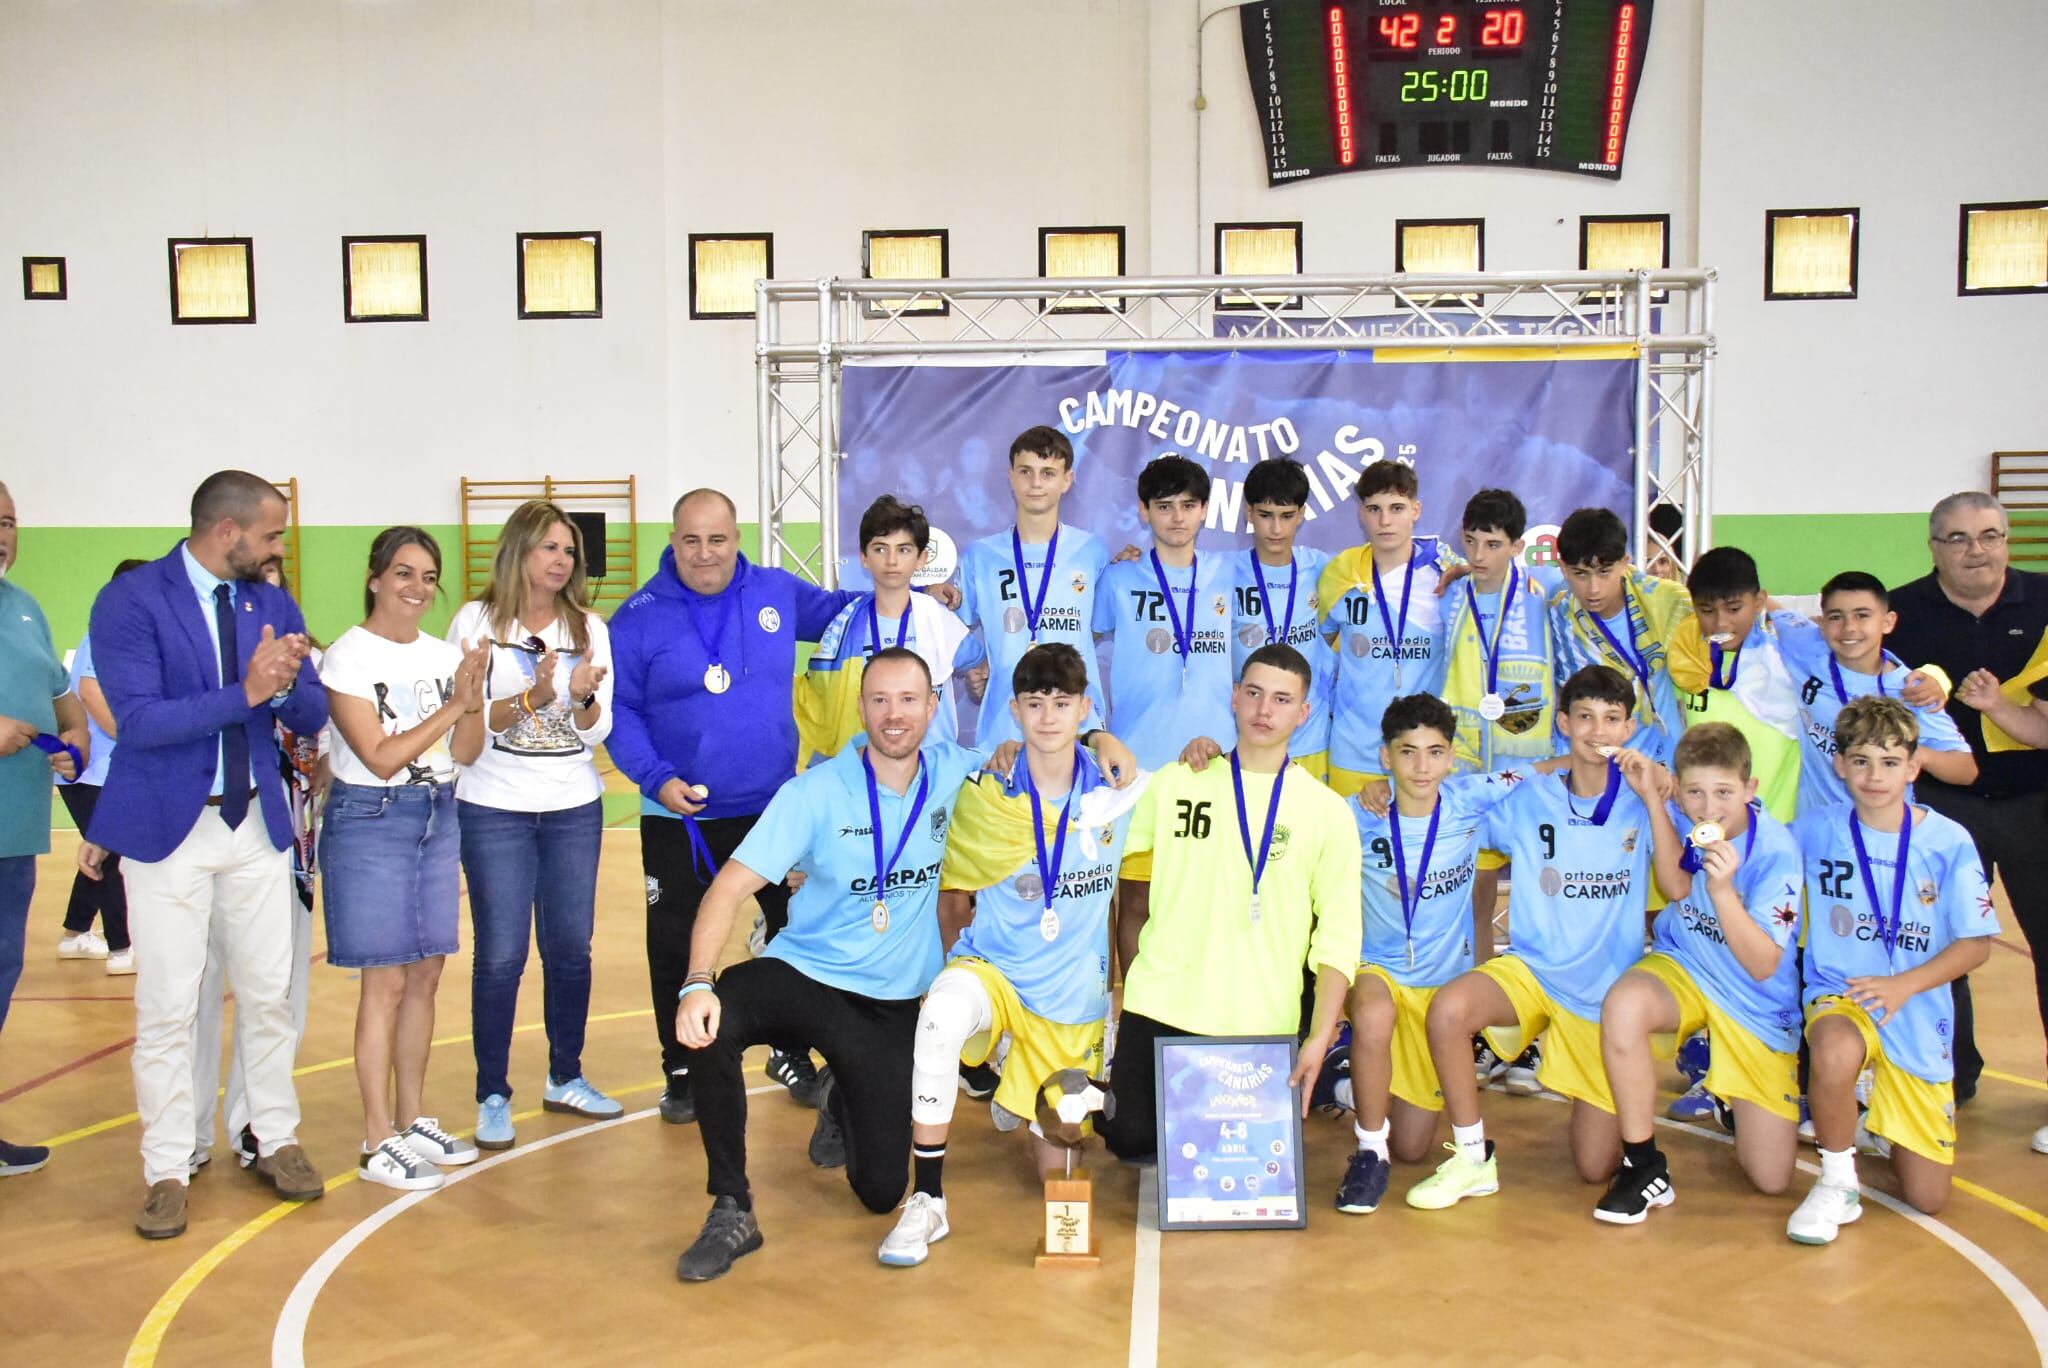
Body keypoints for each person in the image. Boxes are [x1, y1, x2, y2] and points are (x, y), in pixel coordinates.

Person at [82, 470, 327, 1237]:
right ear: (228, 532)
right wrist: (249, 691)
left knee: (268, 994)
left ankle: (273, 1138)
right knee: (167, 1005)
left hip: (254, 826)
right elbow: (141, 720)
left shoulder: (269, 600)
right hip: (166, 834)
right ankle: (165, 1167)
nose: (279, 547)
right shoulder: (131, 600)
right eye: (273, 534)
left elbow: (313, 705)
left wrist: (286, 687)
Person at [880, 643, 1145, 1267]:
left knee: (1057, 1170)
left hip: (1070, 1000)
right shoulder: (985, 792)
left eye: (1062, 704)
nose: (1048, 718)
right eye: (1034, 704)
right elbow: (949, 895)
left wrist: (1191, 751)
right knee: (943, 1016)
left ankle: (1016, 1090)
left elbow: (1201, 788)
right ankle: (929, 1199)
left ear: (1085, 708)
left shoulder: (1121, 796)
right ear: (1014, 710)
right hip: (993, 971)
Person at [608, 489, 865, 1122]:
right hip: (681, 815)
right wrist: (655, 778)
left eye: (717, 539)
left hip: (774, 811)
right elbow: (621, 710)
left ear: (737, 538)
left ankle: (791, 1050)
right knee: (674, 944)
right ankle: (682, 1069)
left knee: (796, 933)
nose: (704, 553)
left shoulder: (776, 590)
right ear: (672, 541)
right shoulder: (638, 617)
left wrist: (916, 594)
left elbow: (845, 612)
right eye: (690, 540)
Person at [1406, 665, 1663, 1210]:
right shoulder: (1531, 795)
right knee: (1449, 1010)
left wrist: (1660, 795)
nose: (1598, 731)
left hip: (1602, 997)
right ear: (1564, 723)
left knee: (1595, 1168)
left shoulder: (1646, 798)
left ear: (1630, 728)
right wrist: (1388, 791)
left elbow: (1697, 847)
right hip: (1532, 971)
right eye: (1585, 718)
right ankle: (1473, 1157)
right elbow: (1448, 799)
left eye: (1612, 719)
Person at [1098, 645, 1363, 1164]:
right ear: (1234, 698)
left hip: (1259, 1016)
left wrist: (1318, 1036)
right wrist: (1091, 737)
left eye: (1283, 699)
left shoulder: (1327, 811)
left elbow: (1339, 935)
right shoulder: (1179, 782)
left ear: (1303, 713)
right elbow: (1094, 837)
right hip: (1164, 1001)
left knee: (1238, 1160)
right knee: (1130, 1142)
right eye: (1255, 694)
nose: (1265, 710)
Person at [444, 501, 621, 1149]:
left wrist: (578, 696)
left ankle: (565, 1075)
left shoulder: (590, 628)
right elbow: (463, 719)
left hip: (573, 805)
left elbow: (596, 731)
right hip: (493, 808)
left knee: (571, 950)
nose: (561, 560)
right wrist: (535, 695)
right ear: (519, 550)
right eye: (550, 547)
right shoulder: (475, 622)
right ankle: (493, 1092)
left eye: (568, 551)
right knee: (501, 955)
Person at [1787, 697, 1997, 1242]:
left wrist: (1905, 984)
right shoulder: (1815, 830)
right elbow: (1757, 855)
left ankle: (1873, 1107)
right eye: (1859, 760)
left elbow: (1976, 946)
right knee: (1831, 1047)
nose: (1873, 775)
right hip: (1844, 994)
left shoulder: (1948, 842)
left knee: (1928, 1199)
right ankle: (1838, 1181)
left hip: (1917, 1008)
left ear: (1913, 767)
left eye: (1887, 762)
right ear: (1839, 764)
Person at [318, 527, 489, 1191]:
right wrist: (453, 703)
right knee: (384, 984)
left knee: (425, 977)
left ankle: (415, 1120)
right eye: (403, 574)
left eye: (427, 577)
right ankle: (376, 1137)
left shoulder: (445, 654)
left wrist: (471, 698)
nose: (416, 589)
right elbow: (381, 755)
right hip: (371, 820)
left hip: (436, 815)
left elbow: (468, 751)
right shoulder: (347, 658)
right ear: (374, 578)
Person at [1335, 694, 1538, 1214]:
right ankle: (1366, 1152)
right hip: (1378, 970)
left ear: (1451, 758)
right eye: (1407, 752)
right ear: (1385, 757)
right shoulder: (1357, 815)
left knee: (1414, 1147)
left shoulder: (1469, 804)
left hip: (1438, 991)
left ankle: (1349, 1084)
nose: (1421, 766)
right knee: (1374, 1012)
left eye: (1434, 752)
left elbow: (1544, 771)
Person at [1595, 723, 1804, 1225]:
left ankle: (1728, 1090)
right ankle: (1643, 1166)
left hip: (1755, 1002)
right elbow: (1675, 888)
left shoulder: (1777, 854)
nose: (1709, 808)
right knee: (1622, 1007)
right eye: (1695, 792)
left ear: (1750, 789)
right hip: (1688, 966)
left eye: (1724, 793)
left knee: (1771, 1180)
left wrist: (1726, 891)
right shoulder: (1683, 816)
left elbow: (1762, 964)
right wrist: (1654, 799)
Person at [1884, 491, 2048, 1126]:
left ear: (2007, 540)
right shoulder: (1902, 613)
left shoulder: (2044, 602)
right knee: (1941, 946)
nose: (1975, 550)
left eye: (1989, 535)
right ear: (1934, 548)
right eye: (1958, 539)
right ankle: (1947, 1079)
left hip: (2037, 800)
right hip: (1942, 808)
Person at [190, 554, 323, 1173]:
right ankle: (187, 1134)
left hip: (284, 836)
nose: (264, 586)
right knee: (193, 990)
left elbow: (320, 730)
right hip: (197, 828)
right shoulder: (202, 653)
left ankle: (255, 1125)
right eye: (253, 575)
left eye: (275, 576)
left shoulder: (304, 658)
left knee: (273, 992)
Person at [0, 479, 91, 1177]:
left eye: (10, 521)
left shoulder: (25, 610)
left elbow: (65, 699)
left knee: (2, 977)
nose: (4, 533)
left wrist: (74, 739)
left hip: (17, 830)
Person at [1438, 488, 1559, 978]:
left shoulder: (1547, 590)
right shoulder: (1449, 596)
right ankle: (1480, 1013)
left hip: (1529, 773)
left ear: (1516, 546)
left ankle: (1536, 1012)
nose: (1479, 556)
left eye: (1492, 544)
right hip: (1468, 774)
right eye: (1471, 543)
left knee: (1540, 897)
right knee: (1475, 899)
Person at [957, 426, 1111, 749]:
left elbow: (1095, 627)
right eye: (1026, 472)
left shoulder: (1093, 552)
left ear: (1067, 479)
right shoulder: (979, 556)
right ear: (1011, 477)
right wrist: (979, 667)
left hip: (1079, 730)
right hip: (1003, 733)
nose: (1036, 483)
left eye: (1048, 473)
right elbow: (953, 633)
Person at [798, 495, 978, 763]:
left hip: (933, 771)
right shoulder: (845, 625)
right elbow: (821, 698)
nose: (891, 560)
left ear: (921, 558)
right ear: (864, 557)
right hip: (865, 768)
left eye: (903, 550)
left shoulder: (938, 619)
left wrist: (979, 677)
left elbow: (981, 665)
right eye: (880, 549)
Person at [1318, 461, 1460, 798]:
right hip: (1352, 751)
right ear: (1361, 514)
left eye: (1396, 508)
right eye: (1374, 509)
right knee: (1351, 850)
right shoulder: (1340, 572)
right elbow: (1320, 651)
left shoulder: (1447, 573)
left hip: (1422, 755)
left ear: (1416, 510)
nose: (1385, 521)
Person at [1546, 506, 1700, 765]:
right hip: (1596, 767)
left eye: (1604, 572)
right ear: (1563, 568)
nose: (1593, 589)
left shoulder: (1669, 602)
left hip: (1665, 764)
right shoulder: (1557, 615)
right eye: (1580, 574)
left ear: (1624, 563)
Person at [55, 558, 147, 975]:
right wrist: (136, 741)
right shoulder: (103, 634)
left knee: (101, 850)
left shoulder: (131, 638)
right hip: (91, 771)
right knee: (109, 855)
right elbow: (90, 692)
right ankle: (121, 949)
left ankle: (75, 933)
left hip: (105, 770)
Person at [1669, 547, 1803, 821]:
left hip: (1776, 828)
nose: (1720, 622)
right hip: (1703, 827)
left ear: (1759, 602)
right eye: (1706, 610)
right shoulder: (1685, 662)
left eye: (1734, 609)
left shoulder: (1789, 659)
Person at [1231, 458, 1334, 781]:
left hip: (1310, 738)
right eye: (1265, 516)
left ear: (1301, 514)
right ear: (1249, 513)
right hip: (1247, 737)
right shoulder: (1222, 572)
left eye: (1287, 516)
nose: (1276, 529)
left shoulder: (1324, 569)